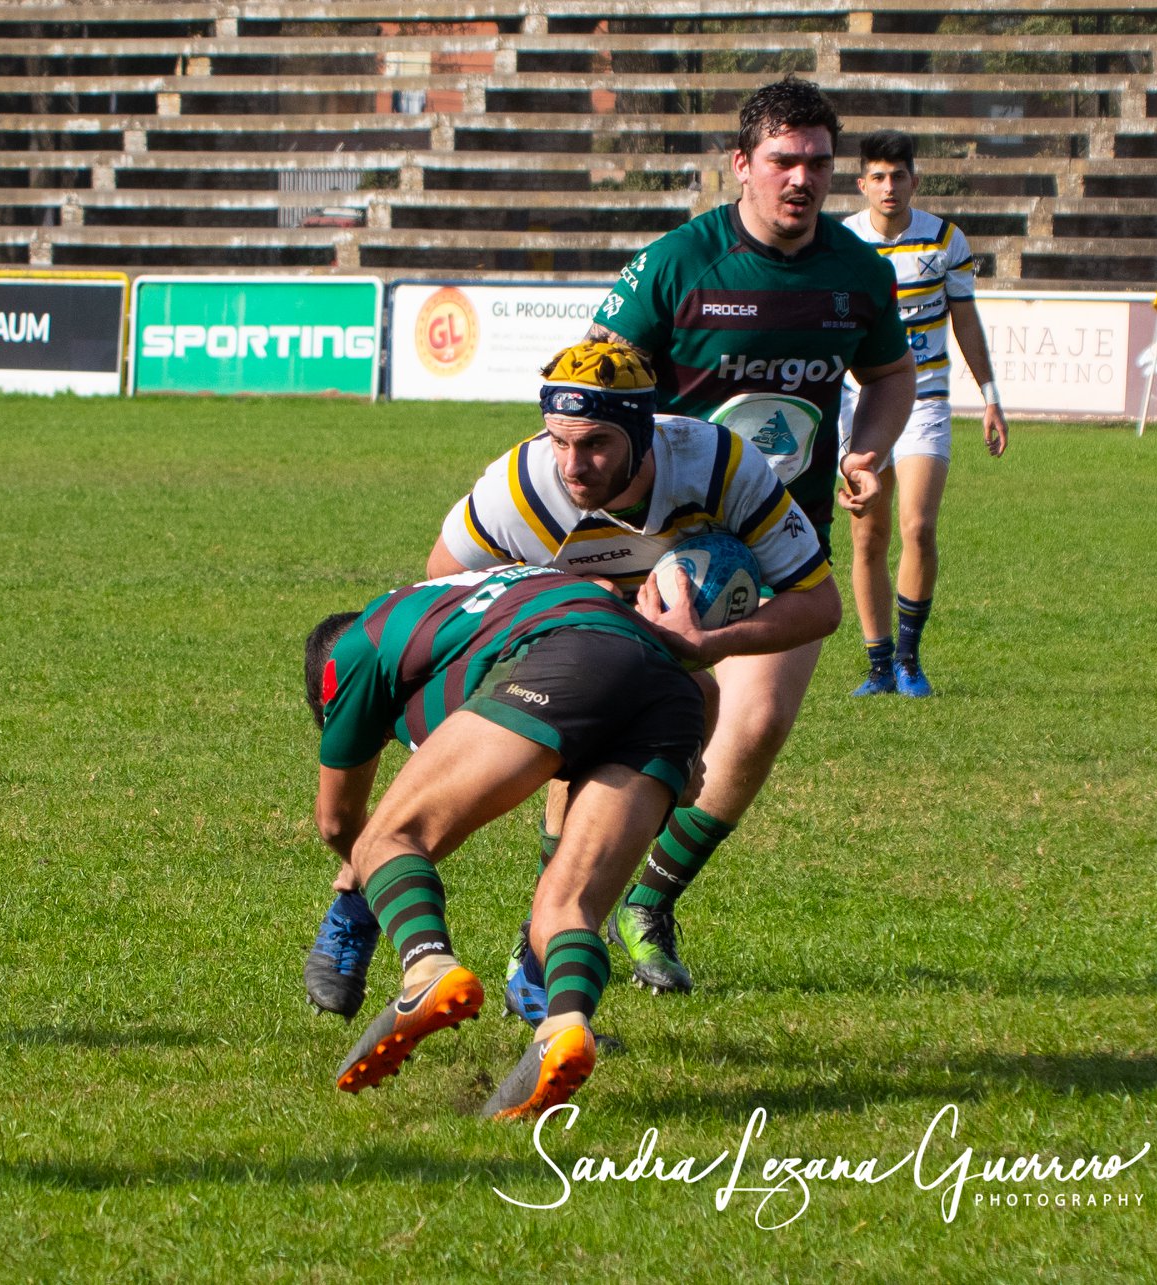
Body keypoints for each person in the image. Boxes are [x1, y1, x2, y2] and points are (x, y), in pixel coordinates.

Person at [303, 341, 839, 1018]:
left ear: (644, 432)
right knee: (493, 784)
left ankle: (532, 974)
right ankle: (373, 915)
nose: (572, 465)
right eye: (559, 441)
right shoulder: (519, 490)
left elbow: (820, 605)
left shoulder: (719, 467)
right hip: (541, 632)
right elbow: (444, 586)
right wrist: (572, 597)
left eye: (596, 445)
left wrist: (709, 642)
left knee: (621, 794)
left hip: (652, 654)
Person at [573, 74, 915, 991]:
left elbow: (888, 378)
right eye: (783, 161)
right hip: (653, 540)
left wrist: (871, 451)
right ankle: (569, 913)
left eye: (816, 163)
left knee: (753, 725)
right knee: (625, 731)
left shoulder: (857, 271)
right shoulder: (677, 265)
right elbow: (596, 393)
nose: (802, 179)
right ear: (741, 165)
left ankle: (651, 895)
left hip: (780, 539)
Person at [305, 562, 706, 1121]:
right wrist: (689, 755)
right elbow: (693, 678)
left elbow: (338, 824)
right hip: (672, 693)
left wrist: (359, 888)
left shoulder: (357, 651)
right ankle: (565, 1025)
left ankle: (427, 968)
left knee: (387, 838)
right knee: (566, 908)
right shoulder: (463, 607)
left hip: (565, 657)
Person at [837, 130, 1009, 698]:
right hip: (858, 403)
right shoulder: (839, 245)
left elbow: (965, 321)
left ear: (915, 179)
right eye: (878, 177)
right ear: (863, 184)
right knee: (869, 537)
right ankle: (878, 666)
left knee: (918, 526)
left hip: (925, 398)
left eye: (899, 175)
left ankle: (909, 660)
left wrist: (990, 396)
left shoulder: (944, 239)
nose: (890, 186)